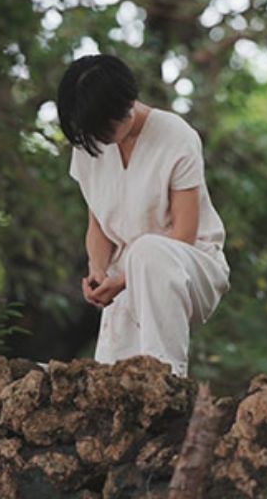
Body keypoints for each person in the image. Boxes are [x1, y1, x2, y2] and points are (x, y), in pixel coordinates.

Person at [56, 53, 231, 377]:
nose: (98, 139)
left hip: (189, 265)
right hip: (125, 273)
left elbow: (185, 233)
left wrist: (122, 281)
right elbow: (97, 222)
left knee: (148, 252)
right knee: (114, 386)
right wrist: (99, 272)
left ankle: (168, 383)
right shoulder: (89, 145)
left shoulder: (176, 136)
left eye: (102, 127)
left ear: (126, 105)